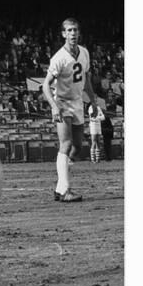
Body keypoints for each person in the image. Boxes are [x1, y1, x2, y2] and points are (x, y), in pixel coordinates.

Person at [42, 18, 98, 202]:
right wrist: (54, 107)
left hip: (77, 102)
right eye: (69, 30)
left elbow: (86, 79)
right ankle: (65, 190)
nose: (73, 33)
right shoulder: (59, 57)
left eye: (75, 30)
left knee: (78, 147)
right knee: (65, 144)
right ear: (63, 34)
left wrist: (94, 102)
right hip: (63, 103)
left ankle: (59, 187)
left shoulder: (84, 53)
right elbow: (45, 86)